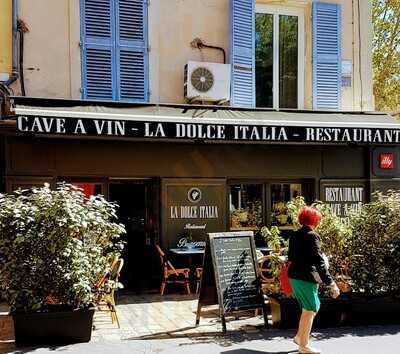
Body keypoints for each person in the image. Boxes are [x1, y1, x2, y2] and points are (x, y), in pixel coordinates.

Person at [288, 206, 340, 354]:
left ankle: (299, 337)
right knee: (310, 309)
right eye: (319, 218)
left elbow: (291, 257)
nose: (320, 221)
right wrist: (332, 284)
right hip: (305, 277)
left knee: (308, 308)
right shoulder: (312, 236)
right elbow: (319, 262)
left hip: (294, 276)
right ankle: (304, 346)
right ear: (315, 220)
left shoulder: (294, 235)